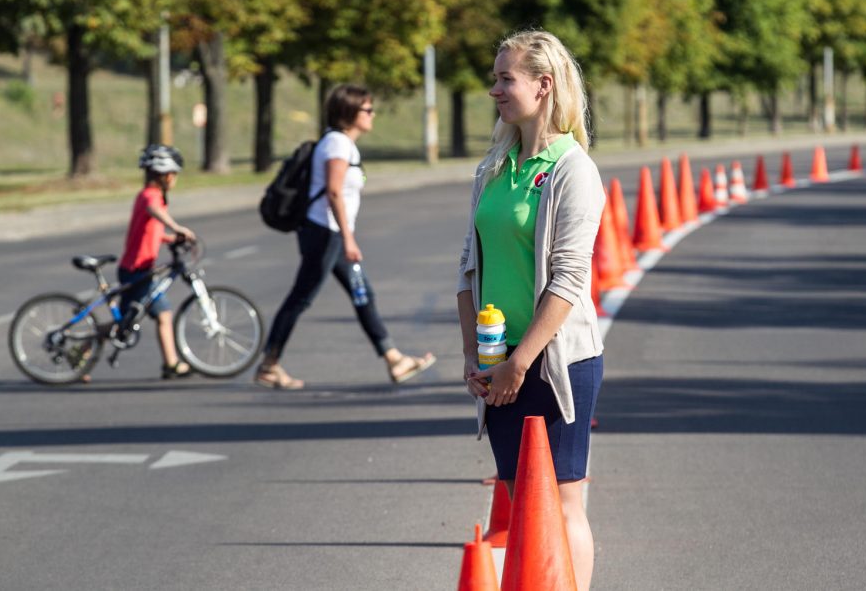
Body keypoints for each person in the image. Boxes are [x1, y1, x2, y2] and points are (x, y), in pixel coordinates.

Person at [456, 30, 605, 590]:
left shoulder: (572, 169)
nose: (494, 89)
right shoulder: (492, 167)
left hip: (555, 362)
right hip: (499, 361)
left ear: (543, 86)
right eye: (495, 77)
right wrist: (476, 353)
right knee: (523, 503)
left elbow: (569, 278)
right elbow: (468, 265)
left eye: (505, 78)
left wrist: (520, 362)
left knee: (562, 501)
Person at [255, 83, 436, 390]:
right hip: (325, 234)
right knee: (301, 298)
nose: (372, 114)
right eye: (367, 109)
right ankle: (269, 365)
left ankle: (394, 359)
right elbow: (334, 191)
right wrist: (349, 239)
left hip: (332, 234)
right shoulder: (337, 144)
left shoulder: (341, 144)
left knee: (361, 293)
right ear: (349, 112)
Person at [118, 144, 196, 379]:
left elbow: (149, 231)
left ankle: (80, 353)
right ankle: (171, 363)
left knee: (124, 324)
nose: (175, 180)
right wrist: (176, 226)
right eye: (174, 175)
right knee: (161, 314)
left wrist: (170, 237)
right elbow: (153, 211)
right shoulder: (149, 196)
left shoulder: (152, 197)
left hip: (138, 269)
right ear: (165, 175)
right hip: (137, 270)